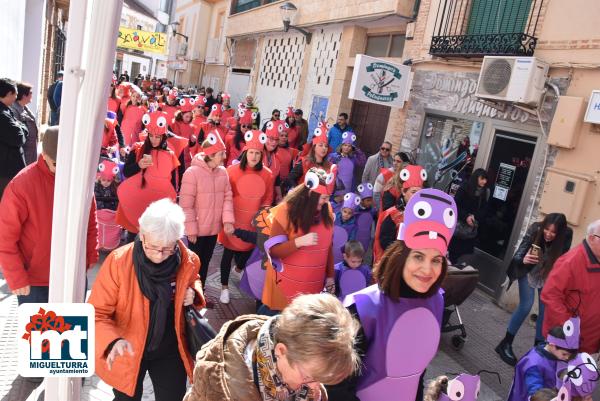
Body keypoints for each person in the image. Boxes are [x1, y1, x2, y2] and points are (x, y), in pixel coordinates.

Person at [327, 188, 458, 401]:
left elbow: (418, 373)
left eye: (436, 260)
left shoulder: (437, 302)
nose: (427, 269)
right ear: (401, 257)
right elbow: (337, 387)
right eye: (418, 257)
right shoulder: (362, 307)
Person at [89, 199, 205, 401]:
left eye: (167, 249)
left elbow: (194, 278)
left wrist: (194, 292)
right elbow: (96, 312)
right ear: (142, 235)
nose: (159, 256)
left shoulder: (188, 260)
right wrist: (112, 340)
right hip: (127, 346)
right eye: (152, 247)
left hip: (170, 347)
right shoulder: (118, 263)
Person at [183, 293, 360, 401]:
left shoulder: (303, 369)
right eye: (307, 377)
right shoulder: (217, 388)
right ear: (281, 351)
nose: (315, 387)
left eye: (321, 379)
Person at [0, 126, 98, 303]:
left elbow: (89, 220)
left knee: (71, 330)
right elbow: (5, 237)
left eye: (67, 164)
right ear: (43, 154)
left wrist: (90, 253)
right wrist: (15, 276)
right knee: (37, 331)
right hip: (34, 282)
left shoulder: (78, 180)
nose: (62, 169)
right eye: (56, 164)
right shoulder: (21, 185)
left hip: (72, 275)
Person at [496, 213, 572, 366]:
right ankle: (505, 343)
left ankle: (538, 349)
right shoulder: (535, 228)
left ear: (560, 233)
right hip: (528, 270)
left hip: (546, 273)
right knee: (526, 305)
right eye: (547, 230)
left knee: (545, 310)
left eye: (553, 232)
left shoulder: (567, 235)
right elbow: (518, 254)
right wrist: (523, 259)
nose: (549, 234)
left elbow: (563, 258)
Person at [260, 166, 337, 315]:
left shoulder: (327, 211)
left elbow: (328, 248)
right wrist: (299, 242)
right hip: (284, 288)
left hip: (311, 289)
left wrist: (330, 276)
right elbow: (274, 251)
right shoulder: (285, 212)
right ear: (310, 193)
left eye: (328, 198)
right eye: (323, 198)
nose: (326, 202)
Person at [218, 130, 274, 304]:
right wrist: (226, 217)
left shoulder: (267, 174)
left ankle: (239, 267)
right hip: (232, 218)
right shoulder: (232, 171)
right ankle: (224, 287)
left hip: (252, 222)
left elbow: (268, 198)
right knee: (228, 252)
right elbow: (225, 194)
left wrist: (261, 216)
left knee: (247, 252)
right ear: (245, 153)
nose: (254, 156)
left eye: (258, 153)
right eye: (251, 152)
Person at [180, 133, 234, 287]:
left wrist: (228, 221)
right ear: (211, 155)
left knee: (206, 262)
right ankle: (188, 293)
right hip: (196, 231)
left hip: (213, 230)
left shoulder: (223, 172)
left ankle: (200, 293)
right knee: (193, 264)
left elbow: (227, 198)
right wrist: (191, 229)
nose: (224, 156)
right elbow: (186, 205)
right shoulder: (192, 173)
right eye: (221, 153)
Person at [116, 111, 180, 239]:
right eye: (151, 136)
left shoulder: (169, 155)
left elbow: (173, 183)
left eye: (158, 137)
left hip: (158, 205)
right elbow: (126, 172)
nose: (154, 140)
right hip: (138, 203)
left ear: (163, 136)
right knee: (133, 241)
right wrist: (138, 165)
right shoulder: (138, 149)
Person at [542, 219, 600, 354]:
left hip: (588, 343)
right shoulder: (570, 261)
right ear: (592, 238)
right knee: (553, 374)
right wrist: (570, 331)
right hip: (566, 343)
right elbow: (550, 296)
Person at [507, 320, 578, 401]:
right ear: (552, 346)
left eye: (569, 355)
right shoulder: (533, 364)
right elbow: (535, 391)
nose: (567, 358)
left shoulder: (554, 354)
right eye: (564, 354)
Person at [373, 164, 427, 264]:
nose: (416, 196)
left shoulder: (424, 216)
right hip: (394, 263)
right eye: (413, 192)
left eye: (420, 193)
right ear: (403, 191)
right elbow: (385, 242)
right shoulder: (392, 214)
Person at [447, 168, 489, 263]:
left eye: (486, 179)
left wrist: (475, 217)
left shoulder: (484, 192)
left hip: (470, 230)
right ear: (476, 178)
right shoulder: (465, 187)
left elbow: (484, 210)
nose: (484, 182)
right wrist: (466, 216)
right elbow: (455, 205)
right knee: (453, 252)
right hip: (459, 226)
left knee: (464, 254)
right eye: (482, 178)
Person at [0, 78, 28, 198]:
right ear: (8, 93)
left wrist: (21, 127)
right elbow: (19, 138)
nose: (16, 98)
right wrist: (22, 127)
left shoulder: (6, 111)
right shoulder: (2, 114)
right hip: (6, 171)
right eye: (15, 94)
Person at [287, 121, 332, 187]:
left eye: (326, 146)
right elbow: (290, 178)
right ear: (314, 147)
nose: (324, 148)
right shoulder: (304, 162)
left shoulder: (329, 166)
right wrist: (297, 191)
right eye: (320, 145)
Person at [328, 131, 366, 196]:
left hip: (348, 189)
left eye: (349, 146)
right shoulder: (333, 156)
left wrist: (357, 150)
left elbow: (362, 162)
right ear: (341, 146)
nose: (347, 147)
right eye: (345, 145)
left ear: (352, 148)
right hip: (335, 189)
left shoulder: (353, 159)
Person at [10, 82, 38, 165]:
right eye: (30, 92)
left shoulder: (24, 108)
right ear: (24, 95)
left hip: (30, 152)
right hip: (23, 153)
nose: (32, 94)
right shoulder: (14, 110)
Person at [264, 120, 283, 203]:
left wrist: (279, 195)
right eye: (271, 139)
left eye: (276, 139)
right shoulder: (254, 152)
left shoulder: (277, 158)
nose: (274, 142)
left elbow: (277, 181)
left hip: (268, 200)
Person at [355, 182, 376, 253]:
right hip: (355, 238)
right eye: (368, 201)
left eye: (371, 200)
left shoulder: (373, 211)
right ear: (361, 201)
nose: (370, 203)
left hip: (366, 238)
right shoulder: (356, 210)